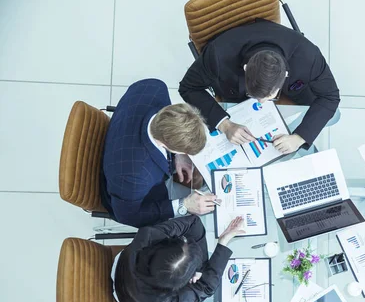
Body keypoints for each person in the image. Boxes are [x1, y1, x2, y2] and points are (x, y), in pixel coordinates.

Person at [179, 19, 340, 155]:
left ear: (285, 75)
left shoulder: (308, 56)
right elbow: (188, 87)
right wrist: (224, 125)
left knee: (331, 117)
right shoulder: (217, 54)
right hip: (234, 95)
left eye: (269, 97)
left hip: (293, 95)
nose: (261, 103)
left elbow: (330, 96)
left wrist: (299, 138)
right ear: (245, 68)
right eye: (256, 96)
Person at [100, 78, 218, 228]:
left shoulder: (155, 88)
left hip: (124, 137)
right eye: (184, 151)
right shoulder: (134, 177)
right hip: (137, 198)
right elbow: (128, 216)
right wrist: (185, 205)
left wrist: (179, 154)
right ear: (166, 145)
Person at [112, 215, 244, 302]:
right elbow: (207, 289)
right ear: (180, 285)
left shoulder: (148, 236)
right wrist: (223, 242)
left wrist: (198, 269)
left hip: (124, 262)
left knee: (209, 276)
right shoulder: (157, 301)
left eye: (183, 242)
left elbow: (193, 223)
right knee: (217, 292)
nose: (186, 241)